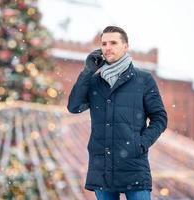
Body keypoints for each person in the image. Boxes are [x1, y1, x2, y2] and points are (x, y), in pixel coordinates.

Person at [67, 26, 167, 200]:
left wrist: (140, 144)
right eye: (104, 43)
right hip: (102, 168)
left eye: (113, 43)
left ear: (125, 46)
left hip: (134, 166)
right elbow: (74, 106)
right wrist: (87, 71)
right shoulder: (94, 81)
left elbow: (160, 118)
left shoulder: (143, 79)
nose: (107, 47)